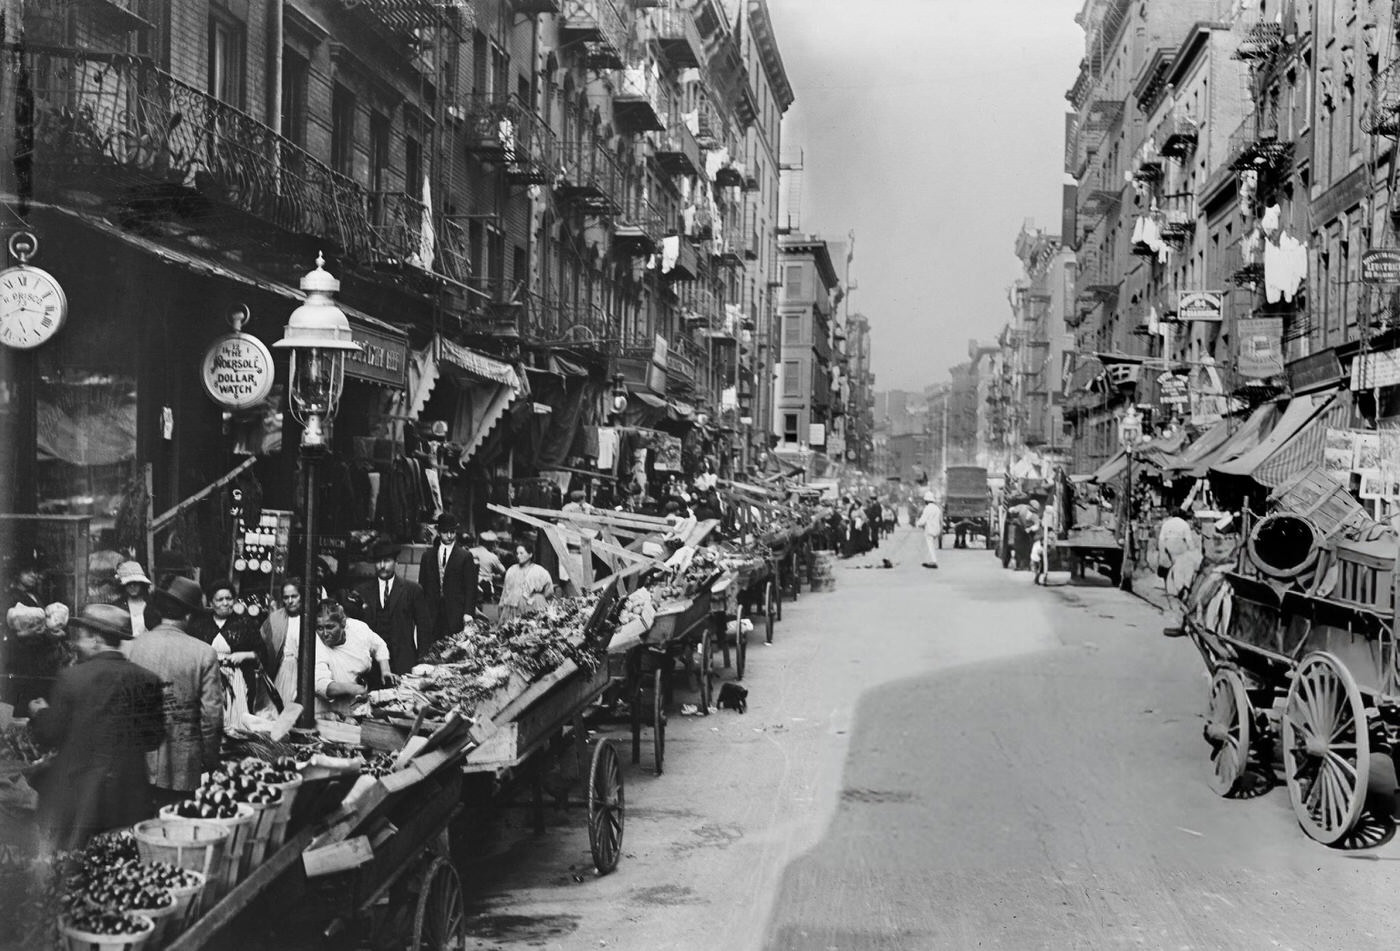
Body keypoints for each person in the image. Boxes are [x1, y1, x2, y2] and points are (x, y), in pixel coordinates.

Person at [27, 604, 164, 850]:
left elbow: (50, 735)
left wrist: (40, 714)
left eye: (81, 636)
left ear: (96, 639)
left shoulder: (72, 678)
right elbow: (153, 739)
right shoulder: (148, 679)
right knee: (124, 864)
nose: (78, 642)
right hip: (129, 793)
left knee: (75, 866)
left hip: (79, 794)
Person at [127, 577, 223, 806]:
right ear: (189, 616)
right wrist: (211, 761)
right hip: (184, 766)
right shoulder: (204, 653)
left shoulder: (134, 646)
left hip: (139, 762)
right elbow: (211, 718)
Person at [195, 582, 273, 719]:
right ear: (211, 603)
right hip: (208, 679)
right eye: (220, 599)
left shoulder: (245, 623)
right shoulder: (201, 625)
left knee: (235, 719)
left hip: (237, 679)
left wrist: (246, 655)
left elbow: (263, 652)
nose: (225, 603)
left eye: (229, 598)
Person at [356, 539, 431, 674]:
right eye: (378, 561)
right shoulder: (362, 591)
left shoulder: (412, 590)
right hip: (371, 664)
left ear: (396, 562)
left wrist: (423, 659)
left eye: (387, 561)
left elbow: (423, 627)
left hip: (403, 661)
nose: (382, 566)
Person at [313, 600, 396, 719]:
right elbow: (320, 684)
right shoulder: (315, 644)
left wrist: (385, 670)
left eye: (330, 627)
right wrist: (353, 688)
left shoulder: (358, 628)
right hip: (329, 712)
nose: (325, 634)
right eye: (320, 628)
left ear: (343, 623)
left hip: (359, 704)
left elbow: (379, 645)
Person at [419, 513, 477, 647]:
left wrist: (468, 612)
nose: (449, 536)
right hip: (432, 612)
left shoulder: (465, 556)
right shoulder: (428, 556)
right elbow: (422, 585)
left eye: (452, 532)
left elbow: (471, 588)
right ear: (439, 532)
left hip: (455, 613)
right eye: (445, 532)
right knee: (432, 648)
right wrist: (421, 611)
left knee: (453, 649)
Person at [261, 580, 305, 713]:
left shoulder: (310, 618)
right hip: (283, 670)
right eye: (286, 597)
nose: (290, 601)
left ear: (301, 596)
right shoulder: (275, 619)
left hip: (305, 671)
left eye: (294, 596)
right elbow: (263, 645)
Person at [1158, 508, 1203, 637]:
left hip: (1170, 555)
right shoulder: (1184, 525)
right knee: (1183, 586)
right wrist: (1194, 555)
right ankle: (1183, 619)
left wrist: (1162, 557)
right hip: (1181, 556)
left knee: (1172, 586)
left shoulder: (1166, 524)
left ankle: (1178, 617)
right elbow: (1189, 543)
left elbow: (1161, 542)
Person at [498, 541, 555, 624]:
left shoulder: (540, 571)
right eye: (517, 553)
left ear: (530, 554)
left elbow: (549, 592)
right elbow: (505, 590)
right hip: (512, 607)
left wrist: (536, 599)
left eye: (521, 553)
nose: (518, 556)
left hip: (531, 607)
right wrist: (501, 603)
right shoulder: (511, 570)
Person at [112, 560, 153, 643]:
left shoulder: (151, 604)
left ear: (142, 584)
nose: (132, 586)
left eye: (135, 583)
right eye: (128, 583)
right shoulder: (118, 605)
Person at [470, 532, 507, 605]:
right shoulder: (492, 557)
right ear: (490, 544)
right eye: (494, 543)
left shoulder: (469, 551)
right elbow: (504, 573)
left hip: (469, 588)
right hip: (485, 591)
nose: (495, 546)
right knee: (489, 614)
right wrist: (493, 576)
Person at [915, 492, 942, 569]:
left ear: (926, 500)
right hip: (937, 529)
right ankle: (929, 560)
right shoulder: (937, 508)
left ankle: (933, 561)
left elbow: (923, 520)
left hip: (930, 529)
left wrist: (917, 524)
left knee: (930, 545)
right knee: (930, 545)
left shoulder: (927, 508)